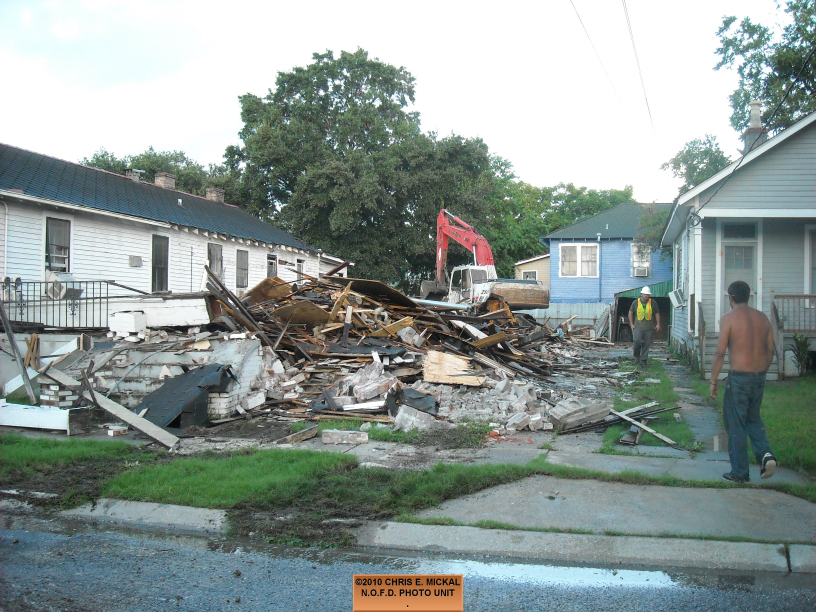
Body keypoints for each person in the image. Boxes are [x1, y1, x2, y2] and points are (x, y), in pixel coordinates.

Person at [709, 280, 777, 483]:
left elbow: (720, 352)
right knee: (753, 418)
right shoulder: (763, 318)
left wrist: (713, 381)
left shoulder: (728, 319)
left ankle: (740, 472)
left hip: (739, 377)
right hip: (759, 377)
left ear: (731, 297)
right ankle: (766, 454)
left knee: (736, 423)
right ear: (748, 296)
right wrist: (763, 368)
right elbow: (771, 348)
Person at [628, 286, 661, 368]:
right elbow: (630, 312)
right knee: (637, 342)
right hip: (638, 327)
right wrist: (631, 324)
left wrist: (658, 324)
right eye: (645, 294)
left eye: (647, 294)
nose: (646, 296)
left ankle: (643, 360)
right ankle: (636, 357)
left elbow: (657, 313)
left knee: (646, 344)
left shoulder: (653, 302)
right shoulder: (636, 302)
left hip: (649, 328)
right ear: (641, 294)